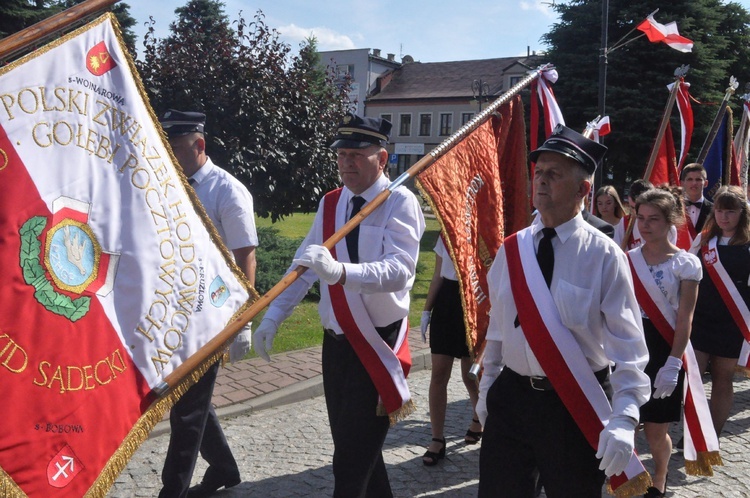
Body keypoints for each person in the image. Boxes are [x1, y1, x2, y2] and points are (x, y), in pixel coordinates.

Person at [252, 113, 425, 497]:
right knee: (359, 452)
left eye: (357, 155)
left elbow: (400, 272)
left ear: (381, 159)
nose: (346, 163)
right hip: (337, 346)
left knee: (349, 463)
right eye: (341, 154)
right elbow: (305, 265)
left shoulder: (399, 202)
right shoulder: (331, 203)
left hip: (378, 343)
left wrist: (341, 272)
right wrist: (274, 318)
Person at [476, 125, 650, 497]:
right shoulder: (512, 249)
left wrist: (623, 418)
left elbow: (630, 351)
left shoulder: (604, 256)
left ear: (583, 190)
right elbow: (498, 324)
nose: (541, 180)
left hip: (573, 402)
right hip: (512, 399)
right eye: (538, 172)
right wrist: (488, 386)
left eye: (554, 174)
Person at [158, 110, 259, 498]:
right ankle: (224, 467)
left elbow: (246, 254)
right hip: (177, 311)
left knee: (187, 410)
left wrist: (244, 321)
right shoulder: (172, 183)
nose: (170, 155)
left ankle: (173, 491)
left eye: (177, 148)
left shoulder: (227, 190)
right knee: (189, 400)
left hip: (215, 316)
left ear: (199, 146)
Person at [627, 187, 701, 498]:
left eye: (653, 219)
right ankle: (628, 479)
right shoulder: (626, 259)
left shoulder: (684, 264)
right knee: (626, 422)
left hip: (665, 348)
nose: (644, 225)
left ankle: (659, 477)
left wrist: (673, 362)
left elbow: (685, 318)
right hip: (630, 347)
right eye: (640, 218)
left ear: (670, 220)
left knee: (657, 430)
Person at [690, 185, 750, 439]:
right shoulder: (704, 239)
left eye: (730, 211)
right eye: (719, 210)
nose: (724, 217)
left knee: (722, 379)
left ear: (742, 214)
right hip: (702, 318)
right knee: (692, 377)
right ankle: (694, 427)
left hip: (732, 322)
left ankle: (711, 434)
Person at [420, 236, 481, 466]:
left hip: (473, 300)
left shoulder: (479, 228)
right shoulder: (444, 234)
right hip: (446, 301)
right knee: (439, 373)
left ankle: (479, 417)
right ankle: (437, 438)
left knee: (470, 373)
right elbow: (437, 275)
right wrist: (427, 310)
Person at [681, 163, 713, 236]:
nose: (694, 183)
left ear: (706, 183)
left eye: (698, 179)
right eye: (690, 179)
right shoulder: (674, 209)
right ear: (682, 183)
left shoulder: (714, 210)